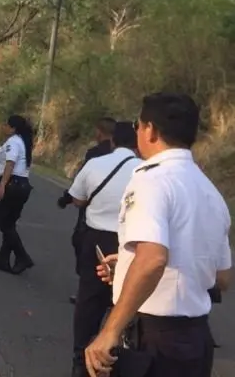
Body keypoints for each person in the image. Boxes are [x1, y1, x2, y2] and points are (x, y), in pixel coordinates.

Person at [85, 93, 232, 377]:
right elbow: (222, 277)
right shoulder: (211, 193)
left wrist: (110, 331)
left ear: (150, 130)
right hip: (195, 340)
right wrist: (129, 267)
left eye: (139, 126)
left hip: (154, 341)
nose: (138, 132)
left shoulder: (151, 180)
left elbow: (152, 259)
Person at [66, 121, 139, 377]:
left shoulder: (95, 165)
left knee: (89, 301)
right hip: (131, 242)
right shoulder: (144, 172)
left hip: (96, 241)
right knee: (127, 301)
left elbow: (77, 198)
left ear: (112, 141)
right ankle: (120, 357)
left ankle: (81, 359)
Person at [60, 116, 118, 304]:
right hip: (119, 215)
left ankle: (86, 291)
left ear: (99, 132)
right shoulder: (130, 158)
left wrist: (66, 198)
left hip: (92, 211)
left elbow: (82, 183)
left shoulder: (94, 154)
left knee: (83, 246)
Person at [0, 114, 35, 275]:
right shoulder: (23, 142)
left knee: (3, 222)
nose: (4, 127)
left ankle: (22, 256)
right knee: (10, 223)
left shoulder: (13, 142)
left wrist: (2, 185)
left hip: (13, 184)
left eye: (7, 125)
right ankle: (2, 259)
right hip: (21, 185)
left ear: (13, 128)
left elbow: (10, 163)